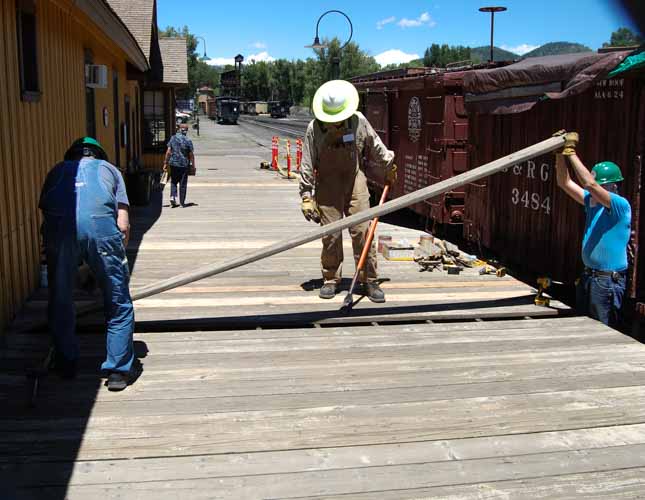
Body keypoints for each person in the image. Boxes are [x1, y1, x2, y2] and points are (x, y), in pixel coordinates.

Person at [39, 137, 135, 391]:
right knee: (118, 301)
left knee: (60, 299)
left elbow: (48, 214)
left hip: (59, 231)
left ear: (70, 156)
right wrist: (112, 261)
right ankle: (117, 371)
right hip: (101, 229)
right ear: (98, 155)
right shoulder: (109, 169)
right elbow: (123, 223)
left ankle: (66, 362)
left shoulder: (57, 171)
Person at [300, 80, 397, 302]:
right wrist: (306, 195)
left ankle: (369, 280)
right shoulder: (314, 129)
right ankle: (331, 279)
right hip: (327, 184)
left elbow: (375, 145)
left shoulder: (358, 121)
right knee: (331, 235)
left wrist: (388, 166)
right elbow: (307, 163)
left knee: (364, 232)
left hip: (355, 180)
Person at [554, 132, 631, 328]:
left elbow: (590, 183)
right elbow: (564, 183)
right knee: (586, 326)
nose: (593, 192)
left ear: (612, 187)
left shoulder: (619, 206)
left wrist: (571, 153)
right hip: (590, 277)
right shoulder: (592, 203)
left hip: (607, 282)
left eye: (600, 188)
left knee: (604, 329)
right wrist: (559, 154)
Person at [163, 123, 195, 207]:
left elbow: (168, 152)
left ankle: (173, 197)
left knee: (174, 181)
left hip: (173, 163)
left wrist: (165, 163)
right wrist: (192, 165)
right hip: (184, 165)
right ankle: (181, 203)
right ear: (186, 131)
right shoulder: (188, 141)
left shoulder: (173, 138)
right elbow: (191, 154)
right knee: (183, 183)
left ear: (179, 129)